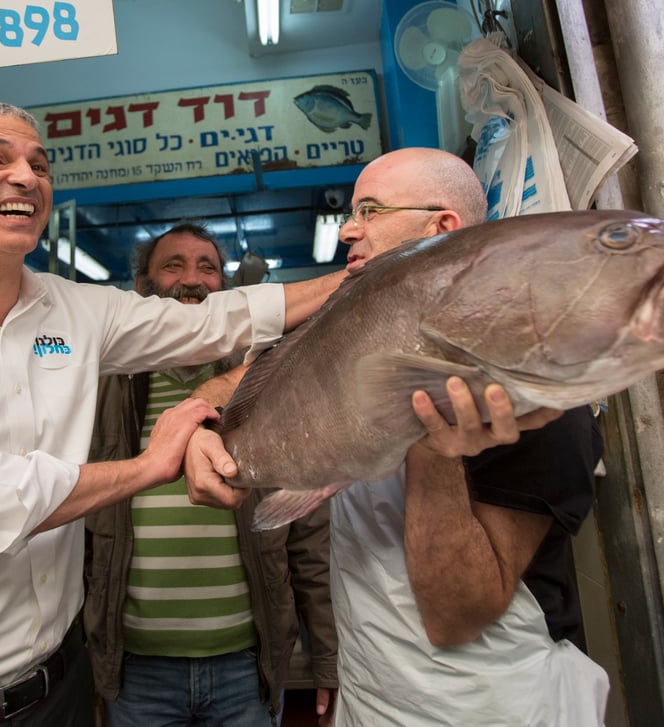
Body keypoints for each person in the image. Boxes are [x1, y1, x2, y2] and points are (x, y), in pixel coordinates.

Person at [0, 102, 343, 727]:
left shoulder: (74, 311)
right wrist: (144, 468)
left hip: (56, 691)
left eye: (39, 164)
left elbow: (215, 321)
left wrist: (358, 278)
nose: (27, 177)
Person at [186, 147, 609, 726]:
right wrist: (197, 415)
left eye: (371, 210)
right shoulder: (360, 339)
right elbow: (263, 376)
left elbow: (456, 615)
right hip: (371, 698)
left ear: (441, 229)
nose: (348, 231)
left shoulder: (526, 385)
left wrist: (432, 447)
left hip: (487, 708)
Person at [84, 222, 338, 727]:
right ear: (143, 288)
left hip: (246, 663)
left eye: (207, 267)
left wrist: (326, 654)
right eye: (173, 265)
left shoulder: (263, 386)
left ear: (226, 291)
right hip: (135, 668)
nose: (193, 279)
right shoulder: (100, 387)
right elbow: (75, 531)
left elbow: (307, 532)